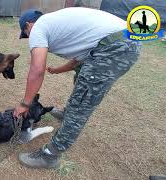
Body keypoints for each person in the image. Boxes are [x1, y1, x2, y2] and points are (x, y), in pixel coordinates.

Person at [13, 7, 141, 169]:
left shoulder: (39, 27)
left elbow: (37, 70)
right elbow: (77, 61)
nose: (29, 37)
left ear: (29, 25)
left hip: (116, 46)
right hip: (120, 41)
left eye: (26, 34)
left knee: (81, 106)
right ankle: (67, 114)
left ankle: (50, 156)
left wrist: (25, 104)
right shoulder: (58, 23)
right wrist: (57, 70)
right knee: (82, 77)